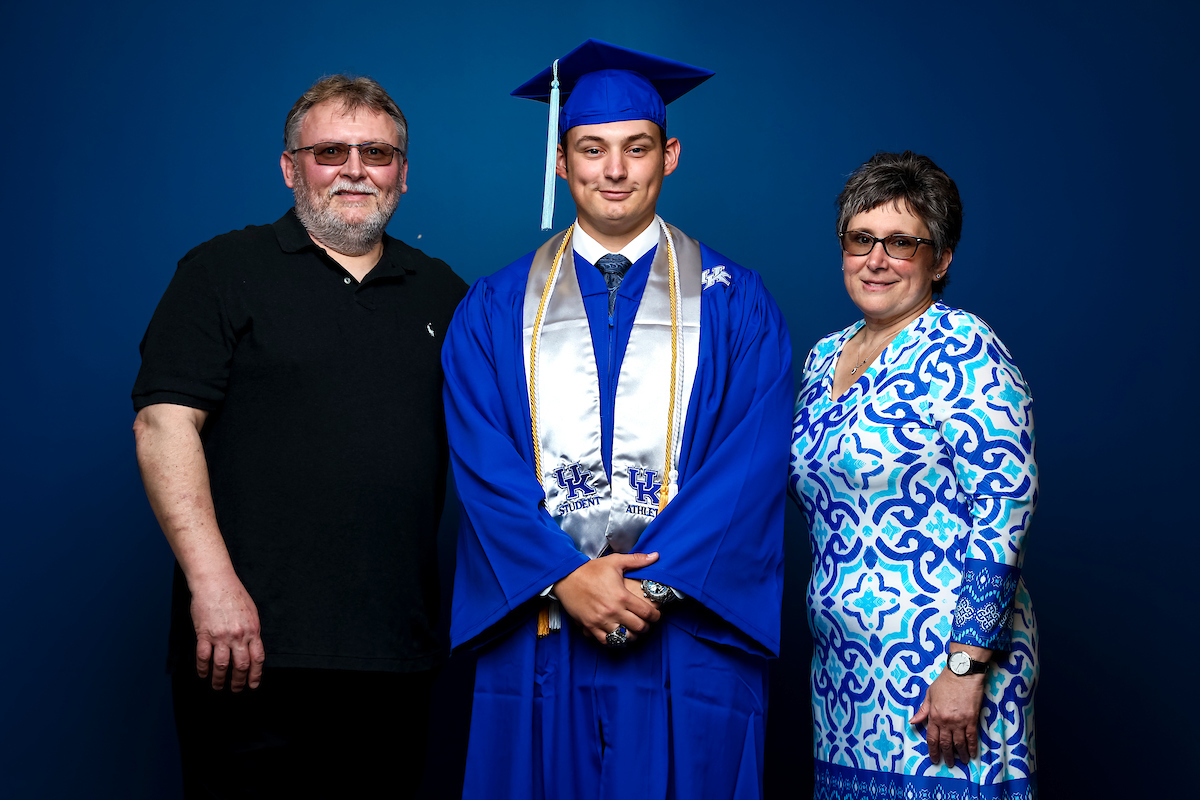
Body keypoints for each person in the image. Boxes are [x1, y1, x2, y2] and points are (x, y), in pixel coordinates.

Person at [442, 39, 793, 800]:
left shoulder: (736, 303)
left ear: (670, 155)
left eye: (636, 148)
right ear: (560, 161)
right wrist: (566, 578)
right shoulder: (494, 307)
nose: (614, 170)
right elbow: (482, 463)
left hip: (683, 633)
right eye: (591, 149)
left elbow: (749, 466)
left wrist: (642, 594)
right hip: (543, 625)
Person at [131, 75, 467, 798]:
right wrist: (213, 588)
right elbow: (163, 425)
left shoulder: (444, 292)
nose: (355, 170)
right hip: (245, 649)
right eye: (330, 152)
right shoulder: (222, 271)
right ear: (291, 168)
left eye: (376, 153)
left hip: (395, 655)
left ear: (403, 173)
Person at [789, 151, 1038, 798]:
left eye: (901, 243)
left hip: (942, 673)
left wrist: (966, 665)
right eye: (861, 239)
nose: (876, 259)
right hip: (845, 677)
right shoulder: (823, 357)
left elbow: (1005, 502)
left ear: (941, 259)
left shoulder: (962, 346)